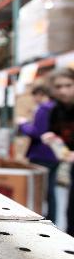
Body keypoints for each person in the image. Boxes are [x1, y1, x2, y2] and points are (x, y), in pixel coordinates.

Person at [18, 82, 58, 223]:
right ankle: (53, 219)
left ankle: (38, 219)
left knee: (38, 192)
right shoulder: (56, 108)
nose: (34, 100)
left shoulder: (43, 109)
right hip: (54, 154)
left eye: (35, 96)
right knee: (51, 190)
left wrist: (23, 125)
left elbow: (37, 133)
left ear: (40, 94)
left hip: (40, 154)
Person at [42, 68, 74, 235]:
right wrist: (53, 139)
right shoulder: (56, 110)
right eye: (59, 86)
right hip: (71, 166)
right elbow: (61, 138)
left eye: (68, 85)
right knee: (71, 211)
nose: (63, 90)